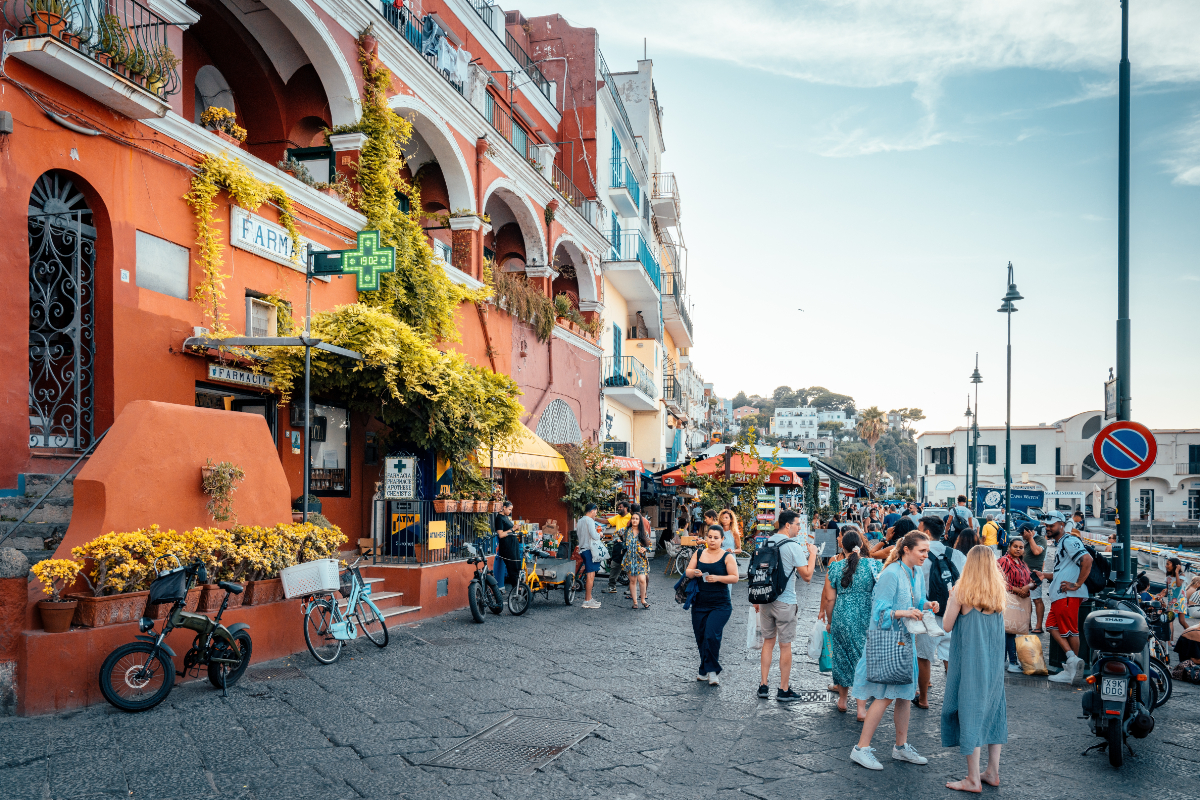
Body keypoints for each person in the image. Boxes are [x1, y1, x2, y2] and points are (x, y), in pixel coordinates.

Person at [849, 531, 939, 771]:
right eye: (922, 551)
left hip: (904, 642)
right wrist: (904, 613)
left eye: (927, 551)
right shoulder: (890, 573)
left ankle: (900, 746)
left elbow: (915, 600)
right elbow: (879, 613)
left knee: (905, 695)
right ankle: (861, 748)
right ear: (907, 549)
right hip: (889, 643)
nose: (925, 555)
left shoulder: (916, 572)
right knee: (886, 695)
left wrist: (927, 604)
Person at [940, 545, 1008, 793]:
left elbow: (947, 626)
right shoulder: (997, 593)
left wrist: (949, 598)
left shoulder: (961, 591)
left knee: (970, 712)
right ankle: (992, 771)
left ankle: (972, 778)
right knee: (993, 712)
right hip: (994, 666)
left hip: (971, 664)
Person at [820, 525, 882, 719]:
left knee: (841, 658)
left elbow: (829, 599)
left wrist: (830, 621)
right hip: (866, 616)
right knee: (862, 659)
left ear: (843, 547)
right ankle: (861, 708)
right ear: (861, 544)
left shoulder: (836, 566)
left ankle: (843, 701)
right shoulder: (874, 565)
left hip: (841, 615)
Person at [756, 510, 818, 702]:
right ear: (788, 525)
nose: (800, 528)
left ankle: (763, 685)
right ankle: (783, 689)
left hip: (765, 599)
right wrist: (813, 554)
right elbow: (807, 576)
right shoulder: (793, 546)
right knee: (785, 646)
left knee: (768, 642)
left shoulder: (766, 542)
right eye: (798, 524)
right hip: (786, 601)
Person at [915, 515, 967, 709]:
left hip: (930, 614)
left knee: (924, 657)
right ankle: (956, 699)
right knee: (951, 657)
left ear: (927, 533)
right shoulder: (958, 555)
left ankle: (924, 699)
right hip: (953, 615)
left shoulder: (919, 557)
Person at [1038, 511, 1091, 683]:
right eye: (1046, 525)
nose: (1048, 528)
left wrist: (1076, 585)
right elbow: (1061, 572)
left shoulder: (1069, 540)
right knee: (1051, 625)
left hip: (1067, 595)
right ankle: (1072, 660)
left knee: (1070, 630)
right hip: (1060, 595)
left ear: (1061, 524)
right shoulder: (1061, 543)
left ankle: (1072, 670)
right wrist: (1044, 575)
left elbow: (1087, 560)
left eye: (1051, 525)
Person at [685, 525, 740, 684]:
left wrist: (717, 578)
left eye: (716, 538)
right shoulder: (699, 552)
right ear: (706, 537)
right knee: (701, 637)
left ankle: (713, 671)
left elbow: (735, 578)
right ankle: (704, 669)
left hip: (720, 604)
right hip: (700, 603)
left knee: (711, 635)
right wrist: (694, 572)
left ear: (722, 539)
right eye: (710, 537)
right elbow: (688, 571)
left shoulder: (727, 556)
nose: (712, 540)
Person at [997, 538, 1037, 673]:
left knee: (1011, 631)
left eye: (1021, 547)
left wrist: (1027, 587)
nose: (1018, 549)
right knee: (1006, 631)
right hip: (1007, 599)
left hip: (1019, 601)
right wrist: (1017, 590)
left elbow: (1032, 581)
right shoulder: (1003, 561)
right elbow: (998, 581)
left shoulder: (1022, 563)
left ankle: (1008, 662)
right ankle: (1008, 662)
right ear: (1009, 547)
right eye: (1015, 546)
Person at [1019, 522, 1047, 633]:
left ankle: (1039, 626)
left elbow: (1036, 551)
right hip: (1024, 574)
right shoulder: (1025, 541)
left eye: (1023, 533)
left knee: (1037, 599)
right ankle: (1028, 625)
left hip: (1035, 574)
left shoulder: (1040, 540)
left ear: (1030, 531)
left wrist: (1030, 538)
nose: (1022, 535)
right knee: (1026, 600)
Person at [575, 504, 603, 609]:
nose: (596, 513)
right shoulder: (590, 520)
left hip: (583, 549)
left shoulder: (580, 520)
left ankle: (589, 599)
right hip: (590, 550)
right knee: (590, 576)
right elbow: (594, 535)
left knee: (590, 575)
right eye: (596, 511)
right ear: (592, 510)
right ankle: (587, 601)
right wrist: (600, 534)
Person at [622, 510, 651, 609]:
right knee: (633, 581)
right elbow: (616, 534)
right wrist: (617, 540)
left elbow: (650, 546)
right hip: (629, 559)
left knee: (642, 580)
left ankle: (643, 599)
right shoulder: (627, 531)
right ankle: (635, 602)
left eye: (636, 519)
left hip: (640, 560)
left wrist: (645, 549)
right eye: (633, 518)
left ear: (640, 521)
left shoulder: (644, 533)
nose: (634, 520)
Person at [1157, 558, 1189, 641]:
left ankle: (1192, 634)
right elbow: (1168, 589)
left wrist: (1176, 573)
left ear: (1175, 565)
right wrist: (1162, 594)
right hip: (1171, 601)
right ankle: (1170, 641)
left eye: (1168, 564)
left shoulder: (1182, 575)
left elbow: (1178, 585)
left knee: (1182, 621)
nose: (1166, 565)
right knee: (1169, 621)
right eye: (1166, 564)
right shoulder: (1168, 577)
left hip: (1180, 601)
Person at [493, 500, 517, 590]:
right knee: (512, 567)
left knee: (515, 566)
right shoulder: (499, 518)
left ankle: (518, 586)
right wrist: (513, 529)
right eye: (509, 509)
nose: (510, 511)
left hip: (512, 545)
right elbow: (501, 534)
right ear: (504, 508)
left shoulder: (506, 517)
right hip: (507, 547)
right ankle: (516, 588)